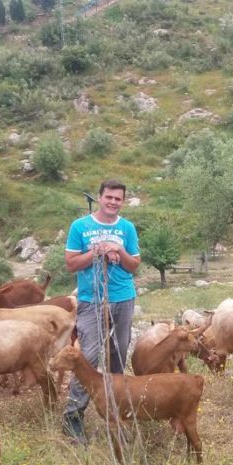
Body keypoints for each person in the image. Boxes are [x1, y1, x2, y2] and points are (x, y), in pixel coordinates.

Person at [62, 179, 141, 442]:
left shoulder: (127, 228)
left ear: (123, 201)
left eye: (118, 199)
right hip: (91, 300)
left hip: (123, 298)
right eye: (109, 197)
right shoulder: (80, 227)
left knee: (118, 354)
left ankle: (118, 413)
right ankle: (73, 416)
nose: (113, 202)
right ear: (100, 198)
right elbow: (72, 264)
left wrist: (118, 249)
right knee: (89, 357)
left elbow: (133, 266)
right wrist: (96, 252)